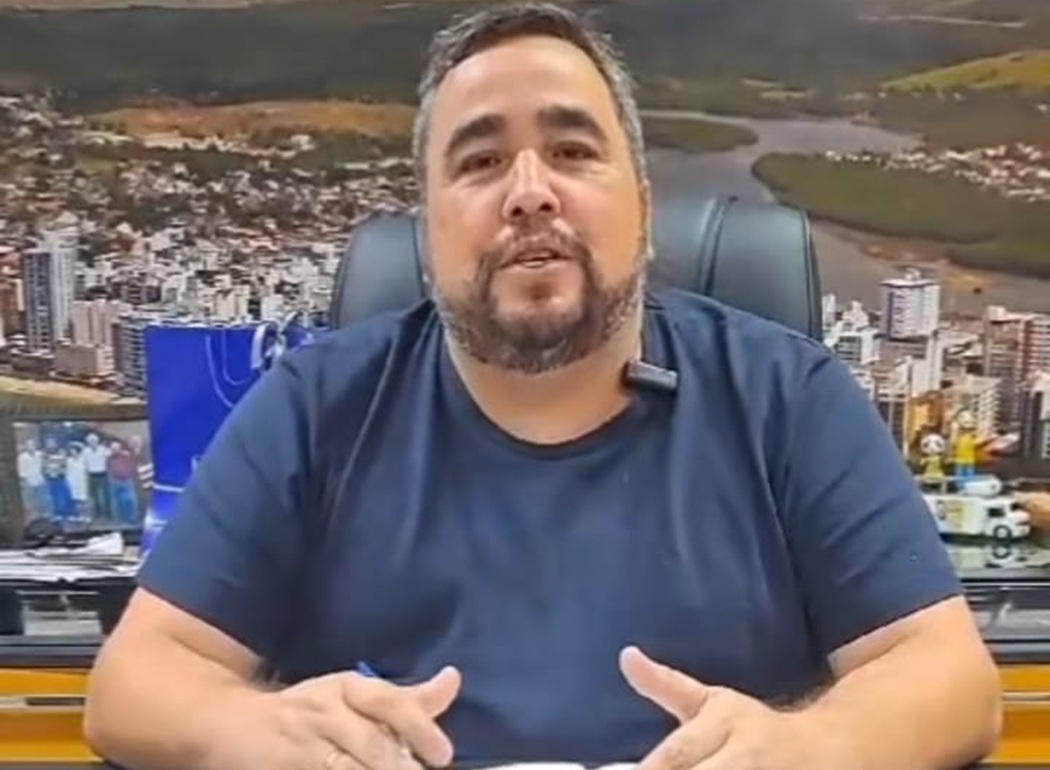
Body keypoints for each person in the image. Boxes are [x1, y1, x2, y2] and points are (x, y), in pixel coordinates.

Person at [84, 4, 1001, 770]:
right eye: (480, 162)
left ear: (643, 206)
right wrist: (251, 729)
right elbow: (134, 682)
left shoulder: (787, 397)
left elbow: (950, 679)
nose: (530, 192)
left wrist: (810, 746)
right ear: (427, 226)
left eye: (572, 150)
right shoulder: (316, 405)